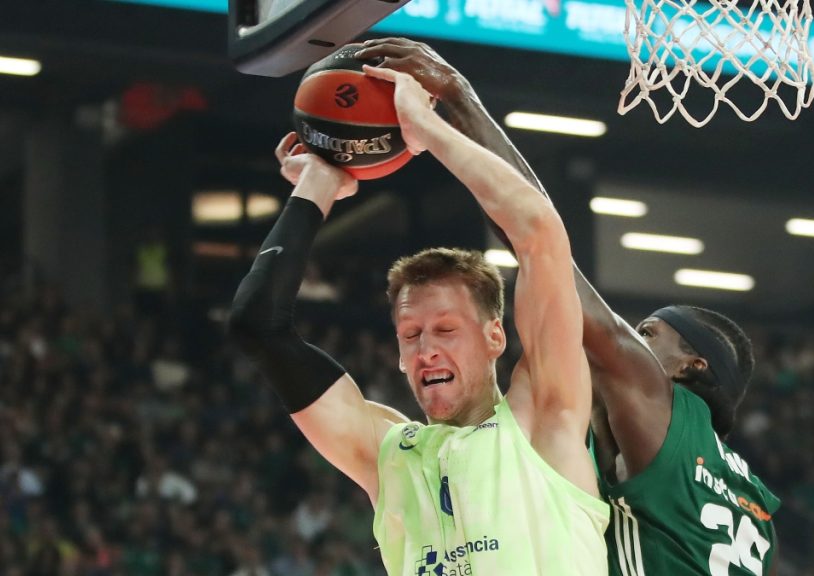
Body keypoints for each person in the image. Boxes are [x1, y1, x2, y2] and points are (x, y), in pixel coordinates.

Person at [355, 38, 780, 576]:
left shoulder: (661, 406)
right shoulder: (752, 499)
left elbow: (545, 250)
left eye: (648, 335)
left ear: (689, 367)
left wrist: (458, 101)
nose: (630, 342)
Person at [227, 66, 608, 575]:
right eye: (411, 335)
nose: (426, 349)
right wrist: (317, 185)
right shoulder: (390, 455)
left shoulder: (543, 417)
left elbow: (540, 234)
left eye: (446, 329)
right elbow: (258, 326)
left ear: (495, 335)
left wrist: (427, 128)